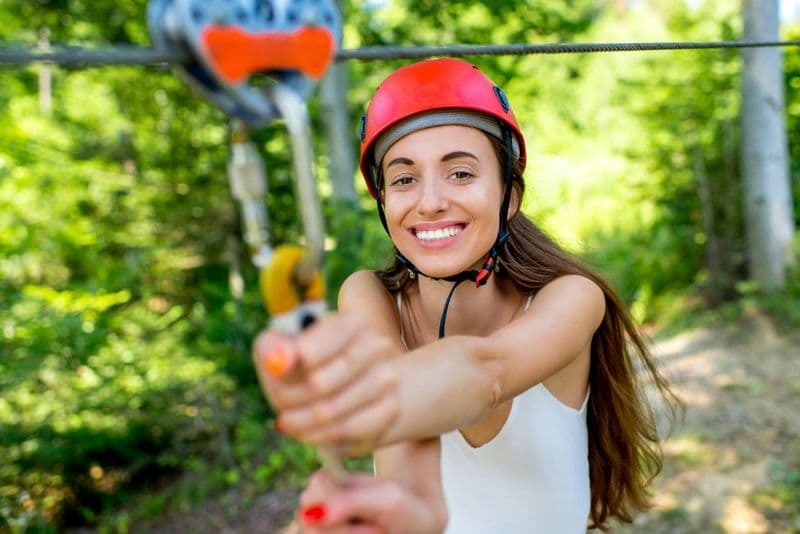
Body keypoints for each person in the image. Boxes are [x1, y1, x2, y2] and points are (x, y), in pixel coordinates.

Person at [253, 58, 680, 533]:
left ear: (508, 196)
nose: (430, 201)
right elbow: (403, 458)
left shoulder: (572, 298)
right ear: (384, 202)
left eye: (460, 173)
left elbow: (487, 372)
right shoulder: (368, 294)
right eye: (404, 178)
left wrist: (357, 406)